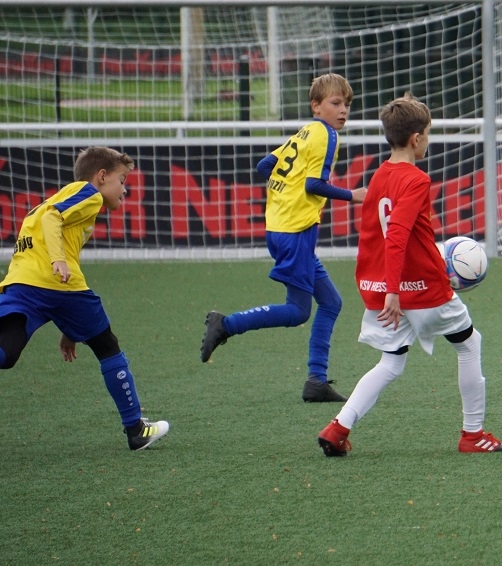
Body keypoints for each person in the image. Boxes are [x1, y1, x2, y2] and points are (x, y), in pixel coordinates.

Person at [317, 94, 502, 457]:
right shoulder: (416, 180)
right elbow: (397, 236)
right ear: (416, 138)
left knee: (391, 362)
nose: (427, 141)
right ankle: (473, 435)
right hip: (420, 290)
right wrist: (395, 290)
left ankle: (337, 428)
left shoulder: (379, 176)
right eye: (428, 134)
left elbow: (374, 237)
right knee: (469, 343)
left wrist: (383, 288)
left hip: (382, 289)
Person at [200, 73, 365, 403]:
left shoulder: (306, 132)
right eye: (335, 103)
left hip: (280, 226)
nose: (343, 110)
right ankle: (226, 324)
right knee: (298, 311)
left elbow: (265, 165)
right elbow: (314, 185)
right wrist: (353, 195)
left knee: (331, 302)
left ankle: (316, 381)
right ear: (316, 106)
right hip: (296, 231)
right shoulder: (327, 135)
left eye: (346, 104)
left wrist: (286, 193)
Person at [0, 147, 169, 451]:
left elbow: (50, 226)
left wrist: (71, 329)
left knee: (6, 353)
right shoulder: (88, 194)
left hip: (21, 284)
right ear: (101, 176)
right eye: (121, 180)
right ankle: (136, 430)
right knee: (107, 346)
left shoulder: (48, 203)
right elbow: (53, 219)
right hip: (56, 284)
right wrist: (57, 260)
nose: (125, 189)